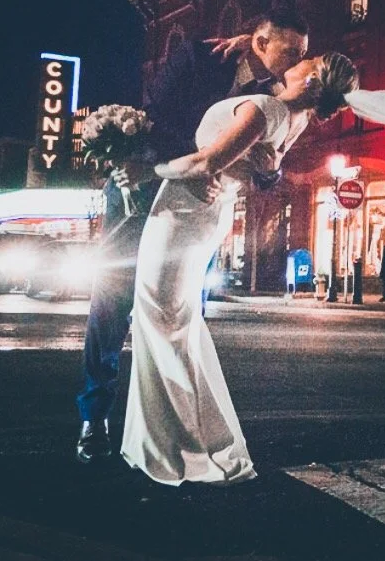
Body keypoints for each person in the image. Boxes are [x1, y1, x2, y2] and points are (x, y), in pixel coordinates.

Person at [75, 12, 309, 464]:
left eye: (302, 54)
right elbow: (155, 117)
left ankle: (174, 425)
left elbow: (270, 167)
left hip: (200, 211)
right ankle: (94, 414)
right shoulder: (201, 57)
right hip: (144, 189)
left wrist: (266, 170)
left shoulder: (277, 96)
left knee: (180, 314)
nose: (297, 60)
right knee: (113, 299)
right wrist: (200, 163)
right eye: (290, 51)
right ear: (260, 41)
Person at [120, 53, 356, 486]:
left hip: (184, 211)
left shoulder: (266, 109)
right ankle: (175, 439)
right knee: (172, 325)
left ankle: (182, 447)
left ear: (311, 82)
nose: (301, 60)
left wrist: (144, 171)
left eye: (311, 60)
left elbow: (206, 163)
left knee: (161, 322)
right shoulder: (291, 117)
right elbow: (247, 167)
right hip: (203, 214)